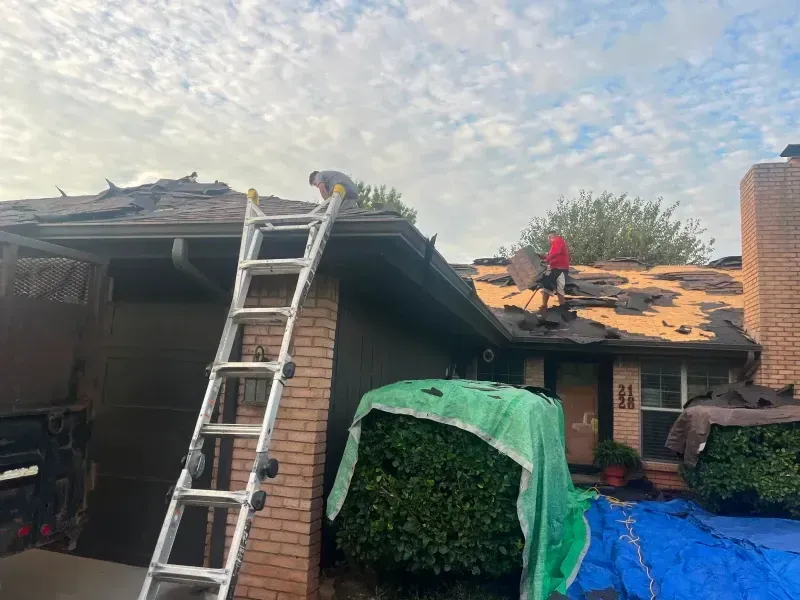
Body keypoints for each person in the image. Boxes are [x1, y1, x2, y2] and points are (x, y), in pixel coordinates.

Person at [538, 231, 569, 312]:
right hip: (556, 269)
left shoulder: (558, 240)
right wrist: (543, 257)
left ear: (550, 237)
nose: (547, 241)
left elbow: (556, 253)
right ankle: (545, 306)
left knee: (557, 288)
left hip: (560, 269)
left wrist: (546, 260)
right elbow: (553, 255)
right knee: (550, 286)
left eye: (547, 239)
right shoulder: (555, 245)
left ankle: (561, 308)